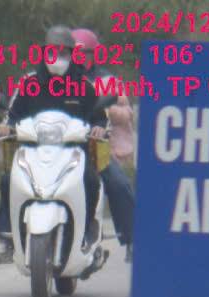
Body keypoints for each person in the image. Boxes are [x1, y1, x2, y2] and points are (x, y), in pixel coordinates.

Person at [0, 25, 104, 266]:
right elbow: (12, 114)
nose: (57, 57)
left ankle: (87, 233)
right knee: (8, 181)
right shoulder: (29, 82)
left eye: (63, 52)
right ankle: (7, 239)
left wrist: (99, 126)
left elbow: (100, 115)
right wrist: (7, 125)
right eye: (52, 51)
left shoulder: (84, 85)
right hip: (34, 151)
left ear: (71, 54)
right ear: (44, 53)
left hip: (72, 152)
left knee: (90, 180)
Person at [72, 27, 136, 262]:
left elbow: (126, 113)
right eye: (74, 53)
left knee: (119, 184)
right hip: (64, 145)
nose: (79, 58)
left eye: (85, 53)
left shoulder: (107, 80)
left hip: (97, 145)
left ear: (93, 54)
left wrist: (106, 112)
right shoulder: (58, 79)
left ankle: (131, 239)